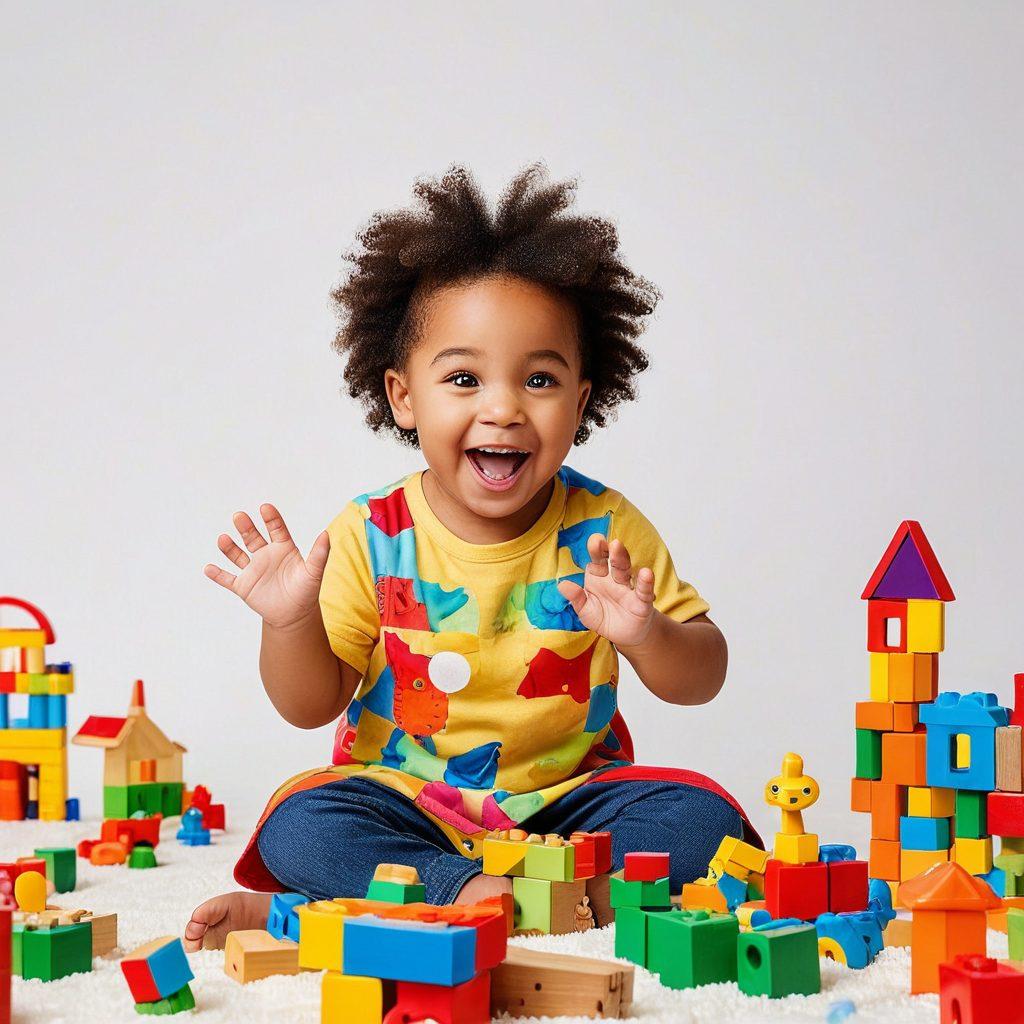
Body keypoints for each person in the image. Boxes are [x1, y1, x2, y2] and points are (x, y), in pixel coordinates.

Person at [184, 165, 757, 952]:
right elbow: (309, 706)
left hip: (568, 811)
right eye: (463, 377)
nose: (503, 406)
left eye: (539, 378)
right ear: (403, 396)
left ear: (582, 402)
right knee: (301, 824)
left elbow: (706, 675)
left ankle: (370, 909)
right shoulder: (371, 532)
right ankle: (485, 894)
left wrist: (649, 634)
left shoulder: (604, 525)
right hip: (405, 803)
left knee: (705, 823)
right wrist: (288, 624)